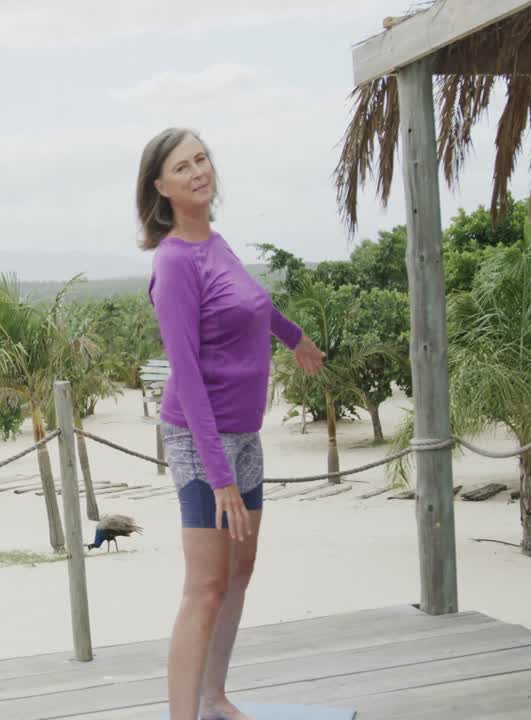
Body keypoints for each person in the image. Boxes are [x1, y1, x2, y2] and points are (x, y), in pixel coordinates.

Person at [136, 127, 324, 720]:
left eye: (202, 159)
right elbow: (185, 374)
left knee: (239, 573)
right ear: (161, 188)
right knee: (205, 586)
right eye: (182, 167)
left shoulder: (215, 244)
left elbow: (251, 302)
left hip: (244, 436)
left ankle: (214, 698)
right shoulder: (174, 262)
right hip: (200, 442)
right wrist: (218, 476)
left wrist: (295, 338)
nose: (197, 171)